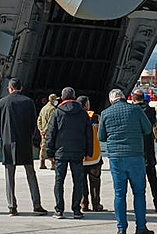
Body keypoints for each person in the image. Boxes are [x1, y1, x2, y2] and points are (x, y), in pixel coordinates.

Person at [99, 88, 154, 234]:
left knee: (119, 194)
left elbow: (101, 137)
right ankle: (141, 227)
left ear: (111, 100)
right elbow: (148, 129)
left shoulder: (105, 113)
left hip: (116, 157)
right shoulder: (136, 110)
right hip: (135, 155)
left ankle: (121, 229)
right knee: (139, 192)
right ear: (124, 97)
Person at [0, 78, 48, 216]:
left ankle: (11, 206)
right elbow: (33, 124)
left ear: (10, 88)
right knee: (31, 174)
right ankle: (37, 205)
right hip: (24, 142)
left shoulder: (2, 102)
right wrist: (29, 137)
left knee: (9, 176)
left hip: (8, 142)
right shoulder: (28, 102)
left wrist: (4, 137)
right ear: (20, 87)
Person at [46, 87, 92, 219]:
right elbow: (88, 134)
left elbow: (51, 133)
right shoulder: (83, 113)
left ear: (63, 97)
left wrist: (49, 152)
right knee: (78, 181)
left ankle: (59, 210)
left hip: (61, 152)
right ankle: (76, 210)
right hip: (78, 152)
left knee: (59, 181)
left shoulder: (57, 112)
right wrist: (89, 151)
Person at [132, 89, 157, 212]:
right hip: (149, 149)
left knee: (137, 180)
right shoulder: (151, 111)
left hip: (136, 149)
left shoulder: (132, 111)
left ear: (134, 99)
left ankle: (139, 204)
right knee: (152, 178)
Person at [78, 95, 106, 212]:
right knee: (95, 182)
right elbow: (102, 134)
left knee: (81, 182)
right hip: (94, 156)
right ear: (87, 105)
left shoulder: (75, 118)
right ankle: (96, 204)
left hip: (80, 157)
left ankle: (84, 203)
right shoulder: (95, 117)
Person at [37, 93, 58, 170]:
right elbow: (51, 122)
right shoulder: (53, 109)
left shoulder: (43, 108)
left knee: (43, 147)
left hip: (43, 132)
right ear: (52, 100)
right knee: (52, 147)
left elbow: (39, 120)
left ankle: (42, 163)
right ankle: (53, 164)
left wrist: (41, 130)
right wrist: (45, 130)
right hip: (49, 132)